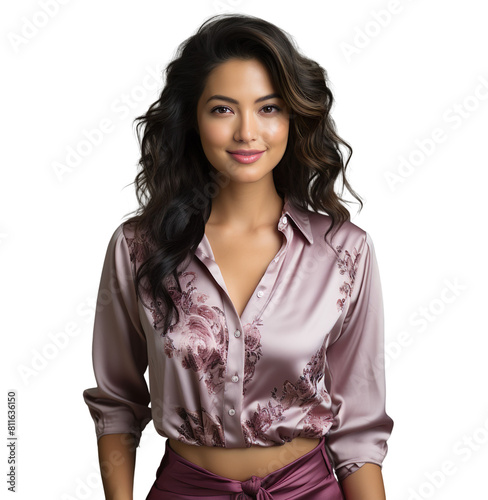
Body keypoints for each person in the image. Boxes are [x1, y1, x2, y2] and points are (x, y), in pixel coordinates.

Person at [82, 13, 394, 500]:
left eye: (268, 108)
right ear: (193, 118)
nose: (248, 132)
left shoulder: (344, 252)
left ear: (292, 117)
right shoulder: (138, 247)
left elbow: (358, 428)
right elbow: (117, 403)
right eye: (224, 110)